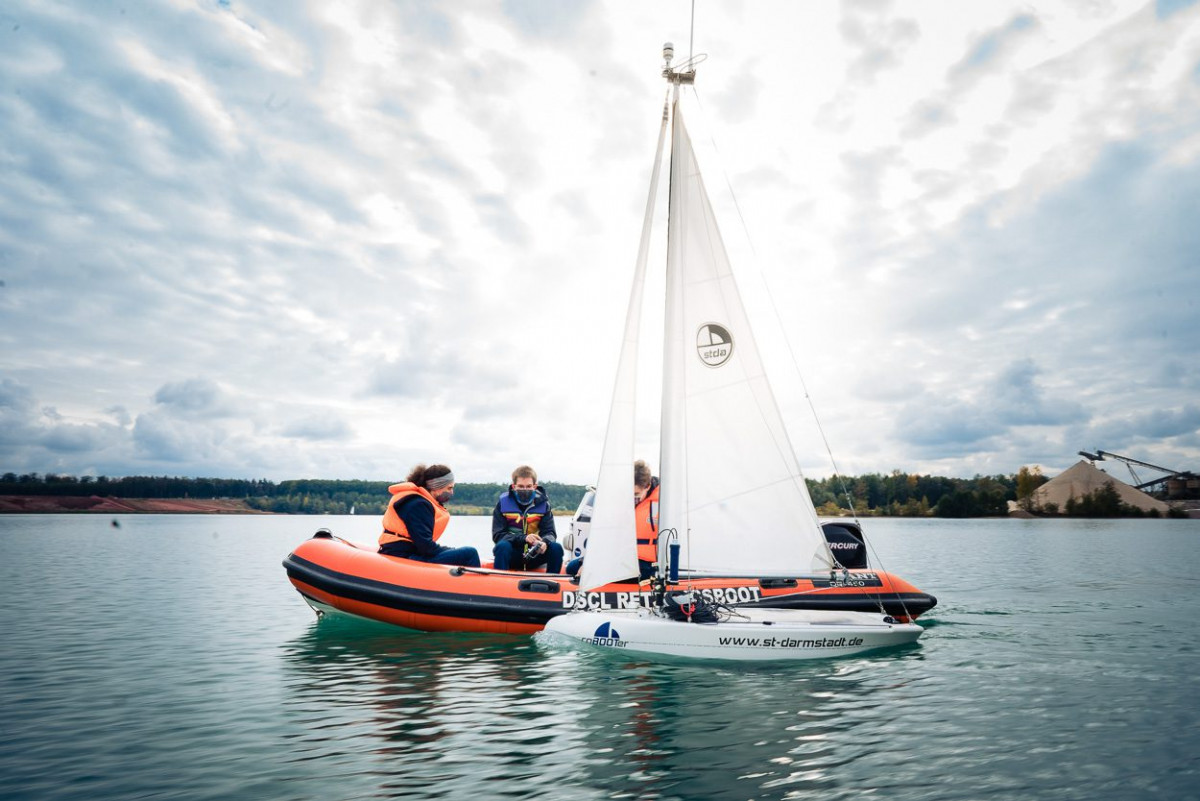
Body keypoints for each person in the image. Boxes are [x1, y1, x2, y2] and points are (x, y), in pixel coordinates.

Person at [565, 459, 660, 580]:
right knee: (572, 568)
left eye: (636, 494)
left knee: (596, 571)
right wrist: (588, 562)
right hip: (620, 556)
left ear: (647, 486)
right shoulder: (620, 500)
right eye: (628, 493)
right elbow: (605, 534)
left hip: (646, 562)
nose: (632, 498)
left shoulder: (662, 501)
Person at [378, 463, 481, 567]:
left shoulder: (419, 501)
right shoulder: (418, 505)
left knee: (461, 553)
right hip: (403, 555)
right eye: (449, 488)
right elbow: (426, 548)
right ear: (436, 487)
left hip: (404, 551)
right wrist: (452, 551)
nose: (452, 492)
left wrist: (451, 551)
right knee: (469, 553)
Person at [491, 465, 563, 573]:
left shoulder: (544, 505)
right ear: (514, 486)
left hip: (535, 554)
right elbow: (498, 535)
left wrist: (544, 542)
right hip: (512, 553)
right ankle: (499, 585)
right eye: (521, 486)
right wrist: (524, 538)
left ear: (534, 486)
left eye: (528, 486)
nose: (525, 489)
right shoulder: (502, 504)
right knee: (502, 546)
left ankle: (552, 584)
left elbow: (550, 533)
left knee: (556, 548)